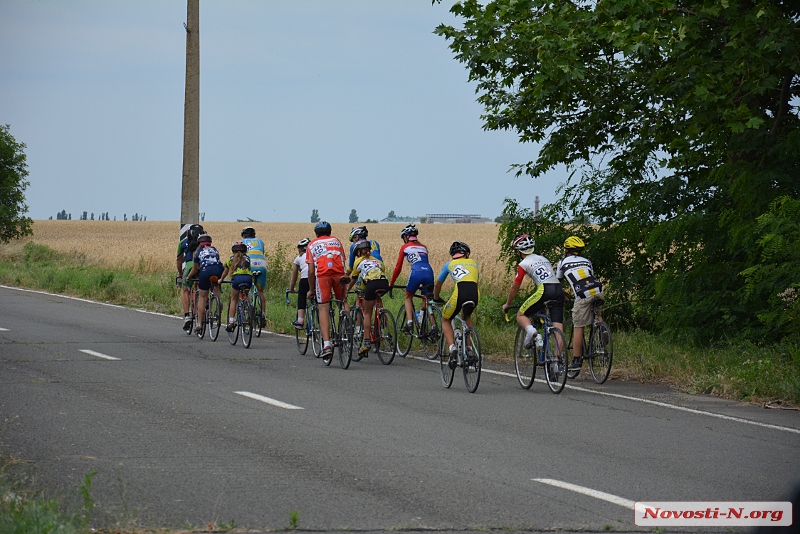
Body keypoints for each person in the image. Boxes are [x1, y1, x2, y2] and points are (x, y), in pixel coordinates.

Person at [501, 233, 565, 351]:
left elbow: (516, 286)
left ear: (519, 251)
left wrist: (508, 304)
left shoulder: (523, 264)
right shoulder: (544, 259)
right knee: (558, 325)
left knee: (521, 315)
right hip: (558, 290)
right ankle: (557, 362)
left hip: (544, 290)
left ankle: (532, 332)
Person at [556, 235, 604, 369]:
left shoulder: (562, 262)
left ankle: (576, 361)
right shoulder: (587, 261)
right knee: (596, 309)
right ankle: (600, 327)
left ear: (567, 250)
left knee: (578, 325)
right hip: (597, 290)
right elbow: (590, 276)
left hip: (582, 294)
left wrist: (563, 296)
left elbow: (557, 283)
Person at [306, 221, 349, 363]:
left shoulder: (312, 244)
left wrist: (311, 290)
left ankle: (327, 345)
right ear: (329, 232)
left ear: (316, 233)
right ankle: (348, 325)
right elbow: (343, 259)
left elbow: (311, 271)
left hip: (324, 276)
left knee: (323, 308)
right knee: (343, 301)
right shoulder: (336, 240)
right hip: (340, 275)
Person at [433, 242, 480, 366]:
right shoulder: (474, 263)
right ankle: (469, 349)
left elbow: (438, 284)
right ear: (467, 254)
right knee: (467, 316)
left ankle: (452, 347)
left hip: (459, 293)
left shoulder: (449, 264)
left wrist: (436, 297)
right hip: (475, 294)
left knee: (445, 319)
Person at [389, 224, 434, 334]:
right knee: (426, 299)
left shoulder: (405, 247)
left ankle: (409, 322)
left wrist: (391, 282)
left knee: (408, 297)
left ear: (405, 237)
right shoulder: (423, 247)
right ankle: (432, 326)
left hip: (416, 273)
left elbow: (398, 267)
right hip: (429, 272)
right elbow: (424, 264)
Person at [346, 240, 389, 356]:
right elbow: (380, 272)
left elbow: (354, 279)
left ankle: (366, 342)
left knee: (367, 313)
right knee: (376, 300)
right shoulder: (378, 260)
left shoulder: (358, 261)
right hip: (384, 283)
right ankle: (382, 321)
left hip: (372, 284)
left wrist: (346, 290)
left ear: (359, 253)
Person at [186, 233, 224, 334]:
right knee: (215, 285)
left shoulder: (198, 252)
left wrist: (188, 277)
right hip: (219, 269)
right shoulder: (215, 249)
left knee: (203, 297)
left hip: (206, 270)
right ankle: (218, 300)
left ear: (199, 243)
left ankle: (198, 324)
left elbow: (195, 268)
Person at [219, 242, 252, 332]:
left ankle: (232, 322)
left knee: (234, 299)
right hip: (248, 279)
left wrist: (221, 280)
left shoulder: (230, 259)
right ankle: (249, 308)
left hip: (237, 279)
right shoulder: (248, 258)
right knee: (246, 294)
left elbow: (225, 272)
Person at [176, 223, 204, 331]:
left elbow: (179, 261)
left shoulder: (183, 243)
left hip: (189, 266)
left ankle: (187, 315)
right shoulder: (204, 241)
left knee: (185, 290)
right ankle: (206, 305)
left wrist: (180, 273)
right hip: (202, 266)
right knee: (204, 291)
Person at [240, 226, 267, 328]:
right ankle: (263, 314)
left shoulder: (242, 242)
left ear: (243, 236)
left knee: (246, 288)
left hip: (249, 264)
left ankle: (249, 306)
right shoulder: (260, 241)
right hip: (261, 264)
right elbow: (261, 253)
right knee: (261, 291)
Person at [288, 238, 310, 329]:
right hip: (319, 278)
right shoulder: (317, 255)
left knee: (302, 294)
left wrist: (292, 288)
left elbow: (294, 277)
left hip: (305, 279)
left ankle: (300, 321)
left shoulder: (299, 258)